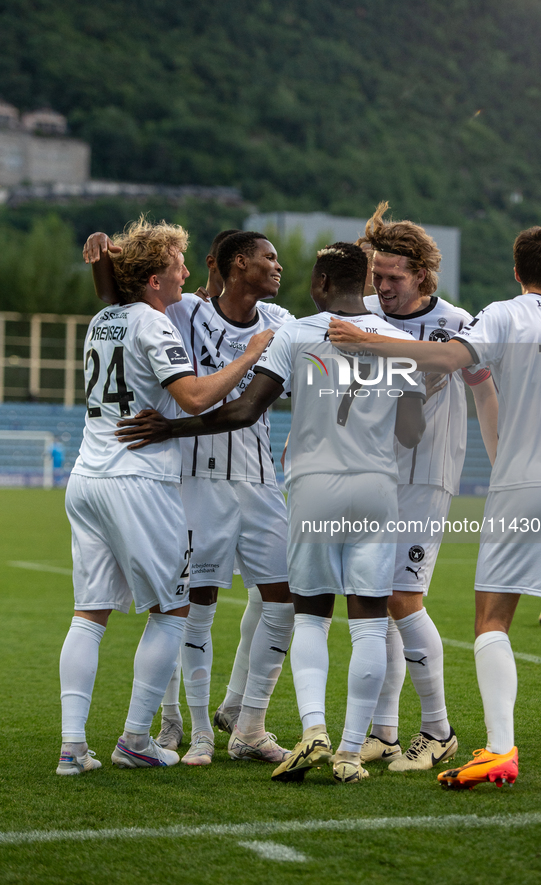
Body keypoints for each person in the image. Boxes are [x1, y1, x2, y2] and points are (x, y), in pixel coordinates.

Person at [116, 242, 426, 784]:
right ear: (368, 285)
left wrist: (173, 427)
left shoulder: (296, 331)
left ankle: (313, 732)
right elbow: (412, 431)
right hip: (378, 488)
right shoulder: (398, 341)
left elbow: (243, 409)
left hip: (312, 486)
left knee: (308, 613)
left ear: (323, 283)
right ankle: (352, 751)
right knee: (370, 623)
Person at [328, 226, 541, 791]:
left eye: (393, 274)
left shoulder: (499, 314)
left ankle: (489, 745)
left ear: (517, 270)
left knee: (489, 619)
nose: (383, 284)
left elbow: (453, 360)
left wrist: (370, 344)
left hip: (516, 480)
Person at [57, 218, 272, 775]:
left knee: (88, 616)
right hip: (140, 481)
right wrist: (250, 355)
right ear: (154, 280)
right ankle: (135, 739)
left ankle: (74, 747)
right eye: (178, 264)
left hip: (87, 478)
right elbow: (196, 398)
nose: (186, 274)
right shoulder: (154, 325)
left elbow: (115, 289)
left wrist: (105, 255)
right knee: (174, 610)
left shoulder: (102, 319)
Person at [355, 203, 498, 772]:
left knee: (401, 597)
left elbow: (485, 392)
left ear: (422, 277)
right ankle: (384, 732)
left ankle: (438, 730)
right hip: (371, 472)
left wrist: (502, 460)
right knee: (375, 599)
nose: (383, 286)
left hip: (426, 475)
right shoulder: (362, 314)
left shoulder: (458, 324)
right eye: (378, 275)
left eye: (394, 277)